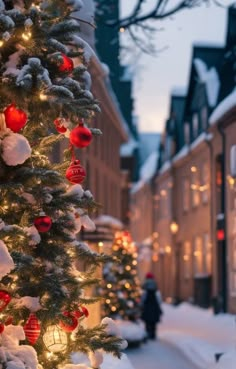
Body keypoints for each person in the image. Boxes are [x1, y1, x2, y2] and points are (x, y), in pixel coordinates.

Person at [140, 272, 163, 340]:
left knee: (147, 322)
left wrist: (141, 305)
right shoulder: (155, 288)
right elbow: (159, 300)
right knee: (153, 323)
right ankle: (153, 334)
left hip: (147, 308)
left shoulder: (145, 288)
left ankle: (147, 334)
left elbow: (143, 299)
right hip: (154, 308)